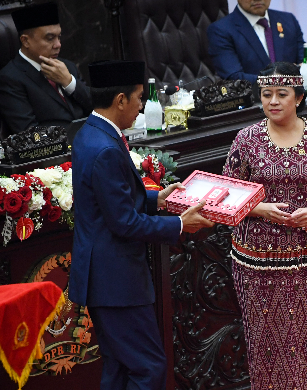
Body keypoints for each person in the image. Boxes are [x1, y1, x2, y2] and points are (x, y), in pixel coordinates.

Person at [68, 60, 213, 390]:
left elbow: (107, 201)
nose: (142, 107)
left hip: (103, 277)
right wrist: (177, 223)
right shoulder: (104, 147)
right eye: (139, 98)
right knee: (148, 367)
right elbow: (123, 223)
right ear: (120, 100)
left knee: (119, 368)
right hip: (116, 279)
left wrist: (156, 200)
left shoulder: (90, 133)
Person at [222, 62, 307, 390]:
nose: (273, 101)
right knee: (264, 343)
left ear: (300, 98)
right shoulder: (246, 139)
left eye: (282, 94)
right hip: (256, 259)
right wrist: (261, 208)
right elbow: (225, 196)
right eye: (267, 95)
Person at [0, 2, 92, 134]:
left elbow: (99, 109)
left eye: (59, 37)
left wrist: (69, 83)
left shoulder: (67, 67)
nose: (58, 45)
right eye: (50, 38)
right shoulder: (10, 79)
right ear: (25, 41)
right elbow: (29, 133)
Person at [207, 0, 304, 82]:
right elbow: (234, 78)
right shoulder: (221, 30)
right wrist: (279, 81)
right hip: (255, 101)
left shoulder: (288, 20)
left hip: (295, 99)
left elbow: (304, 63)